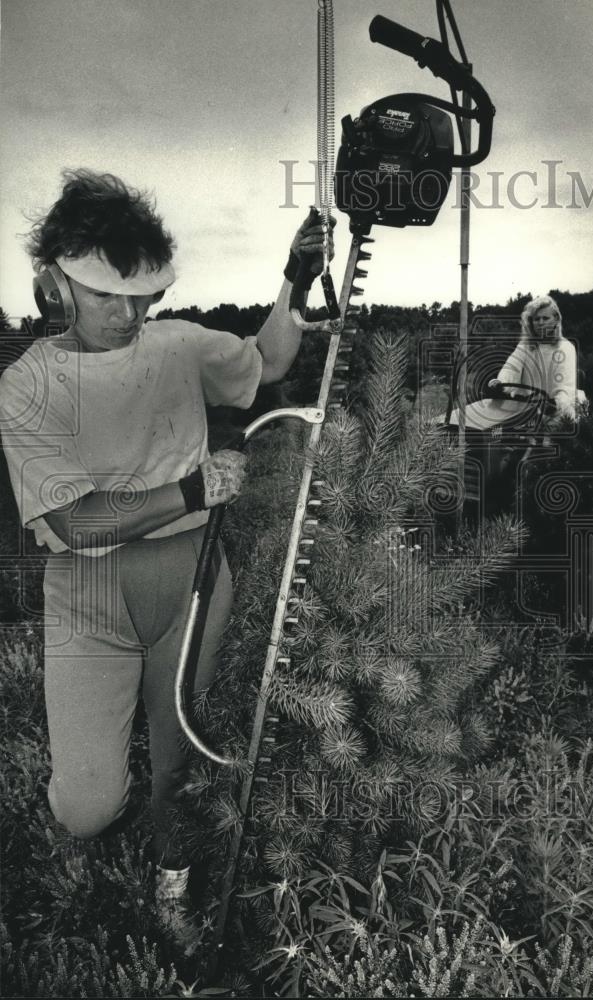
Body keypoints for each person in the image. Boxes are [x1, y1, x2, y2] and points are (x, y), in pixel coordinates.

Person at [0, 169, 334, 954]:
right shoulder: (25, 386)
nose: (128, 314)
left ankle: (172, 886)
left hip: (192, 577)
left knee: (181, 752)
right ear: (54, 284)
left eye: (141, 296)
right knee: (87, 806)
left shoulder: (178, 343)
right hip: (88, 591)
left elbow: (266, 364)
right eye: (105, 295)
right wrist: (191, 487)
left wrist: (295, 276)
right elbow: (77, 521)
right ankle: (94, 805)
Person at [488, 294, 586, 422]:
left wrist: (555, 403)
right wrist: (500, 383)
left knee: (551, 434)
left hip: (556, 412)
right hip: (526, 408)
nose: (540, 323)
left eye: (545, 318)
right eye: (536, 319)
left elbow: (566, 387)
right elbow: (511, 368)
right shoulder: (525, 346)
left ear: (556, 319)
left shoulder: (566, 348)